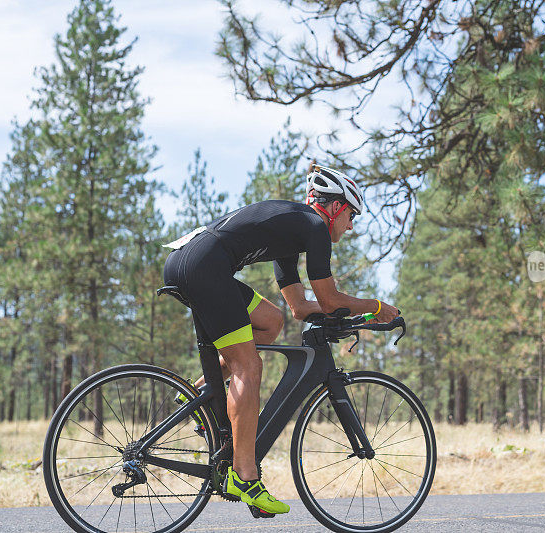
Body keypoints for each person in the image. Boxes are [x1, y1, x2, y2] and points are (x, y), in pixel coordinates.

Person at [161, 164, 399, 516]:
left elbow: (299, 308)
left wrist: (350, 315)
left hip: (188, 260)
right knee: (249, 366)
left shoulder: (294, 230)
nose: (351, 225)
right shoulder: (315, 227)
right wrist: (375, 306)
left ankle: (197, 394)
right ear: (335, 207)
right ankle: (245, 477)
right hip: (203, 266)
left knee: (270, 321)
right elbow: (331, 299)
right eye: (351, 215)